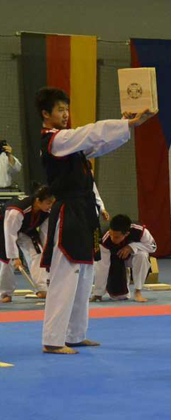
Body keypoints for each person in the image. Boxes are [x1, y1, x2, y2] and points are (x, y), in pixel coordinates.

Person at [37, 86, 155, 355]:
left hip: (85, 211)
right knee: (65, 275)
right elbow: (90, 132)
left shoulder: (71, 145)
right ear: (46, 114)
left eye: (67, 109)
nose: (65, 114)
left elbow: (99, 144)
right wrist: (127, 123)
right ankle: (53, 339)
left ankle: (75, 334)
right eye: (59, 110)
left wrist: (130, 125)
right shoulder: (54, 140)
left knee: (84, 274)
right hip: (68, 212)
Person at [0, 186, 54, 302]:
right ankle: (5, 293)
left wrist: (47, 251)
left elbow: (45, 234)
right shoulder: (16, 211)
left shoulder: (46, 212)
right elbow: (10, 234)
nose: (50, 206)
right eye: (48, 203)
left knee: (37, 252)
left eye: (52, 203)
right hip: (4, 231)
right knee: (7, 260)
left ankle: (42, 288)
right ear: (38, 201)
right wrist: (15, 257)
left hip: (26, 230)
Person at [91, 214, 157, 303]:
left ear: (126, 234)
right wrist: (98, 293)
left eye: (116, 237)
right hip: (114, 259)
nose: (113, 238)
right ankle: (116, 283)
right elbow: (102, 266)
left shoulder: (140, 231)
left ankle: (138, 291)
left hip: (132, 258)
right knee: (119, 296)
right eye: (111, 234)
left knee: (142, 255)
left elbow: (153, 247)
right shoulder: (105, 239)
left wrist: (131, 247)